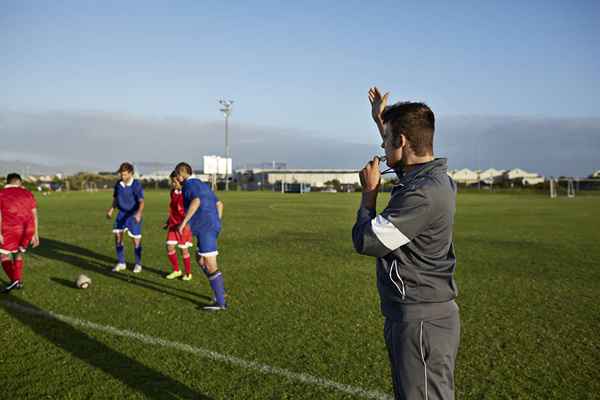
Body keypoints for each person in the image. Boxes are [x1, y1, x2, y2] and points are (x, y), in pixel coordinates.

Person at [352, 87, 460, 400]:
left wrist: (369, 194)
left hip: (421, 319)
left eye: (385, 141)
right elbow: (401, 157)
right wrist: (381, 120)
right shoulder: (429, 177)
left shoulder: (423, 193)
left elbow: (367, 241)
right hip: (416, 314)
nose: (382, 149)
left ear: (401, 141)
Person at [174, 162, 226, 311]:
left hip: (205, 228)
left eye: (177, 175)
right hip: (211, 226)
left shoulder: (189, 186)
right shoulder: (202, 184)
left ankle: (220, 301)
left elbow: (196, 201)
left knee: (210, 263)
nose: (177, 178)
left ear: (181, 174)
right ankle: (219, 293)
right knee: (200, 258)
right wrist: (216, 222)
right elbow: (219, 204)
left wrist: (183, 223)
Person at [0, 173, 40, 292]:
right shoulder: (28, 193)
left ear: (7, 182)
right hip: (27, 229)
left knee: (4, 255)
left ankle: (15, 280)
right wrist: (35, 234)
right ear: (20, 182)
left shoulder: (1, 194)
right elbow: (34, 215)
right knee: (18, 253)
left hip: (9, 230)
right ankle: (17, 281)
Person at [106, 162, 144, 273]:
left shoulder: (136, 184)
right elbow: (116, 199)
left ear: (131, 174)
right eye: (121, 174)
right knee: (118, 238)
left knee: (135, 240)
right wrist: (111, 209)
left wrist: (139, 213)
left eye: (125, 174)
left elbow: (141, 201)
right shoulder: (118, 184)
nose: (123, 177)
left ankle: (138, 264)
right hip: (121, 213)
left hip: (133, 214)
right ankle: (121, 262)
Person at [164, 171, 193, 280]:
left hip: (184, 225)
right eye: (172, 182)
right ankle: (176, 270)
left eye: (174, 182)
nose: (172, 184)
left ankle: (188, 273)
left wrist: (186, 223)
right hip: (173, 224)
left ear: (180, 181)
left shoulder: (187, 193)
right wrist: (168, 221)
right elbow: (173, 208)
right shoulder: (172, 192)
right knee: (169, 247)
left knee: (183, 249)